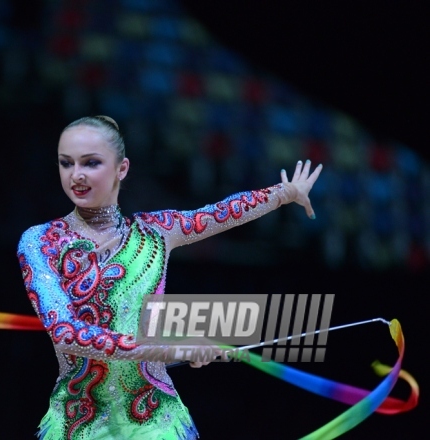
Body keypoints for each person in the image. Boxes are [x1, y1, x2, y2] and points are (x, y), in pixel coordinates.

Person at [17, 115, 322, 439]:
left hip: (155, 421)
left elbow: (217, 214)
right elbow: (66, 333)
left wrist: (285, 192)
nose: (76, 175)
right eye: (66, 163)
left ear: (122, 169)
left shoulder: (155, 232)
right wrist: (170, 349)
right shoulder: (41, 241)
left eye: (91, 163)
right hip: (78, 423)